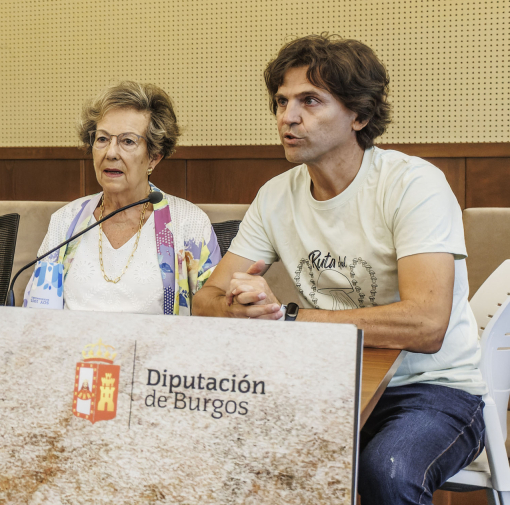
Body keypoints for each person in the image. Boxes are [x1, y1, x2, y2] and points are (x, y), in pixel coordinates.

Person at [192, 34, 485, 504]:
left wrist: (287, 318)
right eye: (282, 101)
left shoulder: (413, 185)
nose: (287, 118)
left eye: (310, 101)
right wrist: (242, 310)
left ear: (359, 115)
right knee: (228, 455)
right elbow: (205, 300)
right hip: (331, 381)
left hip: (432, 391)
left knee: (385, 471)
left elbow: (427, 325)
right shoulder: (276, 196)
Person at [23, 82, 220, 313]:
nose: (111, 153)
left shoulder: (189, 224)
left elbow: (214, 310)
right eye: (102, 139)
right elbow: (35, 312)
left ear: (154, 157)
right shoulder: (66, 221)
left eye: (128, 141)